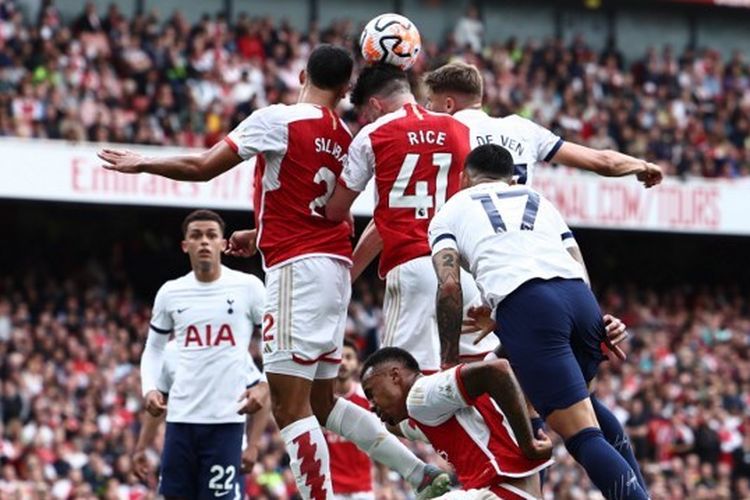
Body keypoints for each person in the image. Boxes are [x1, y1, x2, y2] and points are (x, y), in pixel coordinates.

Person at [99, 45, 449, 500]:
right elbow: (324, 208)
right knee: (322, 403)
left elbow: (205, 167)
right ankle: (418, 472)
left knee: (289, 406)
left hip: (295, 272)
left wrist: (143, 162)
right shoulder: (346, 137)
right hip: (335, 270)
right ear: (346, 92)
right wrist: (260, 230)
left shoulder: (278, 119)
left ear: (302, 73)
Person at [424, 61, 654, 493]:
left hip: (526, 305)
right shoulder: (536, 194)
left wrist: (449, 359)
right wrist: (597, 315)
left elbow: (450, 284)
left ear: (463, 175)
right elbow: (572, 253)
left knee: (578, 433)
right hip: (573, 297)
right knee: (569, 407)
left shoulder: (449, 190)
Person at [325, 63, 499, 374]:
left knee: (404, 384)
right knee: (477, 377)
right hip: (465, 269)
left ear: (376, 104)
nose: (368, 118)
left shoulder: (374, 134)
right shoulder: (461, 130)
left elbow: (334, 210)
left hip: (412, 265)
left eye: (367, 112)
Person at [134, 209, 269, 499]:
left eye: (211, 235)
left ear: (223, 243)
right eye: (196, 236)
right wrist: (149, 389)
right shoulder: (171, 292)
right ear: (186, 245)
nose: (204, 242)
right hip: (180, 423)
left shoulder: (248, 287)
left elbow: (275, 338)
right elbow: (154, 348)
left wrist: (265, 384)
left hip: (226, 424)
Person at [422, 61, 663, 188]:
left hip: (471, 254)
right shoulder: (523, 129)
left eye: (430, 101)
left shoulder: (440, 133)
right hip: (522, 251)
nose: (427, 108)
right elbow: (604, 162)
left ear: (449, 104)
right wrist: (642, 165)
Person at [361, 347, 553, 499]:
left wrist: (529, 444)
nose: (371, 404)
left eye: (371, 393)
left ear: (395, 376)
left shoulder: (420, 397)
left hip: (500, 493)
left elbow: (497, 369)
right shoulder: (429, 412)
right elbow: (395, 427)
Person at [132, 340, 271, 487]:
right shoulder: (171, 352)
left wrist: (252, 446)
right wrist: (141, 447)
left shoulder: (233, 351)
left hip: (226, 450)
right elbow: (158, 405)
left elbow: (263, 398)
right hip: (183, 452)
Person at [324, 339, 380, 500]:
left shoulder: (367, 399)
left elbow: (380, 441)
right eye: (339, 357)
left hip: (362, 488)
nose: (343, 362)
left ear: (357, 363)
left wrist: (386, 483)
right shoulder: (319, 400)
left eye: (349, 357)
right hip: (330, 488)